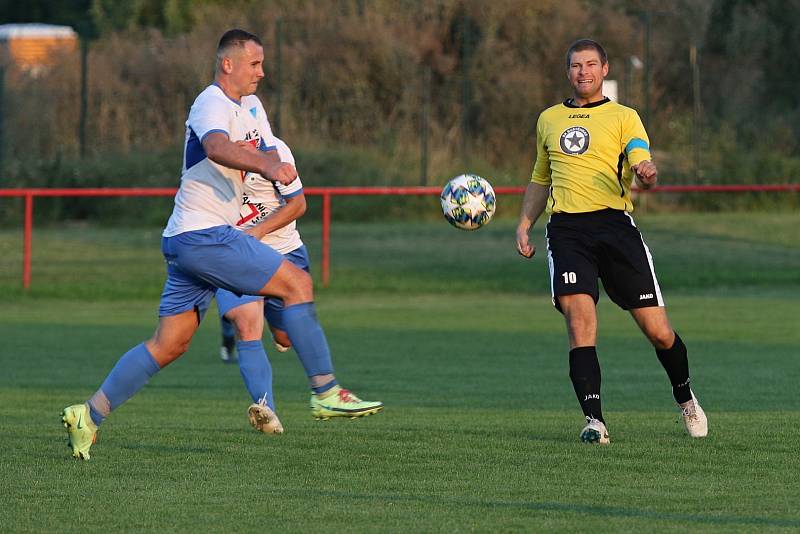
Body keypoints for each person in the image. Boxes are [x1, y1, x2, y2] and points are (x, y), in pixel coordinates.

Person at [61, 29, 382, 460]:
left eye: (263, 64)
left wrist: (274, 162)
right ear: (227, 64)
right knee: (297, 286)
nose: (262, 73)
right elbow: (216, 147)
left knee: (168, 343)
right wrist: (266, 163)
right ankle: (325, 391)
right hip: (205, 234)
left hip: (184, 239)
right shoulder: (209, 101)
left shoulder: (251, 106)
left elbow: (268, 149)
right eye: (254, 64)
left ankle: (89, 414)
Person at [515, 39, 708, 444]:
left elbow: (639, 156)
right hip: (567, 230)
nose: (582, 72)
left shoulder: (624, 116)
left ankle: (685, 396)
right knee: (580, 322)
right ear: (567, 72)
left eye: (590, 64)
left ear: (604, 69)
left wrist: (645, 171)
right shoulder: (548, 119)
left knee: (658, 331)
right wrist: (524, 222)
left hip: (615, 228)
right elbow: (540, 175)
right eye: (575, 66)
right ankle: (595, 421)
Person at [215, 136, 382, 432]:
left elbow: (298, 205)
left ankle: (281, 329)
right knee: (245, 324)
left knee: (285, 337)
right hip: (234, 252)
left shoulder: (276, 151)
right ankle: (265, 408)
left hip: (283, 252)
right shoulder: (213, 151)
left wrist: (257, 232)